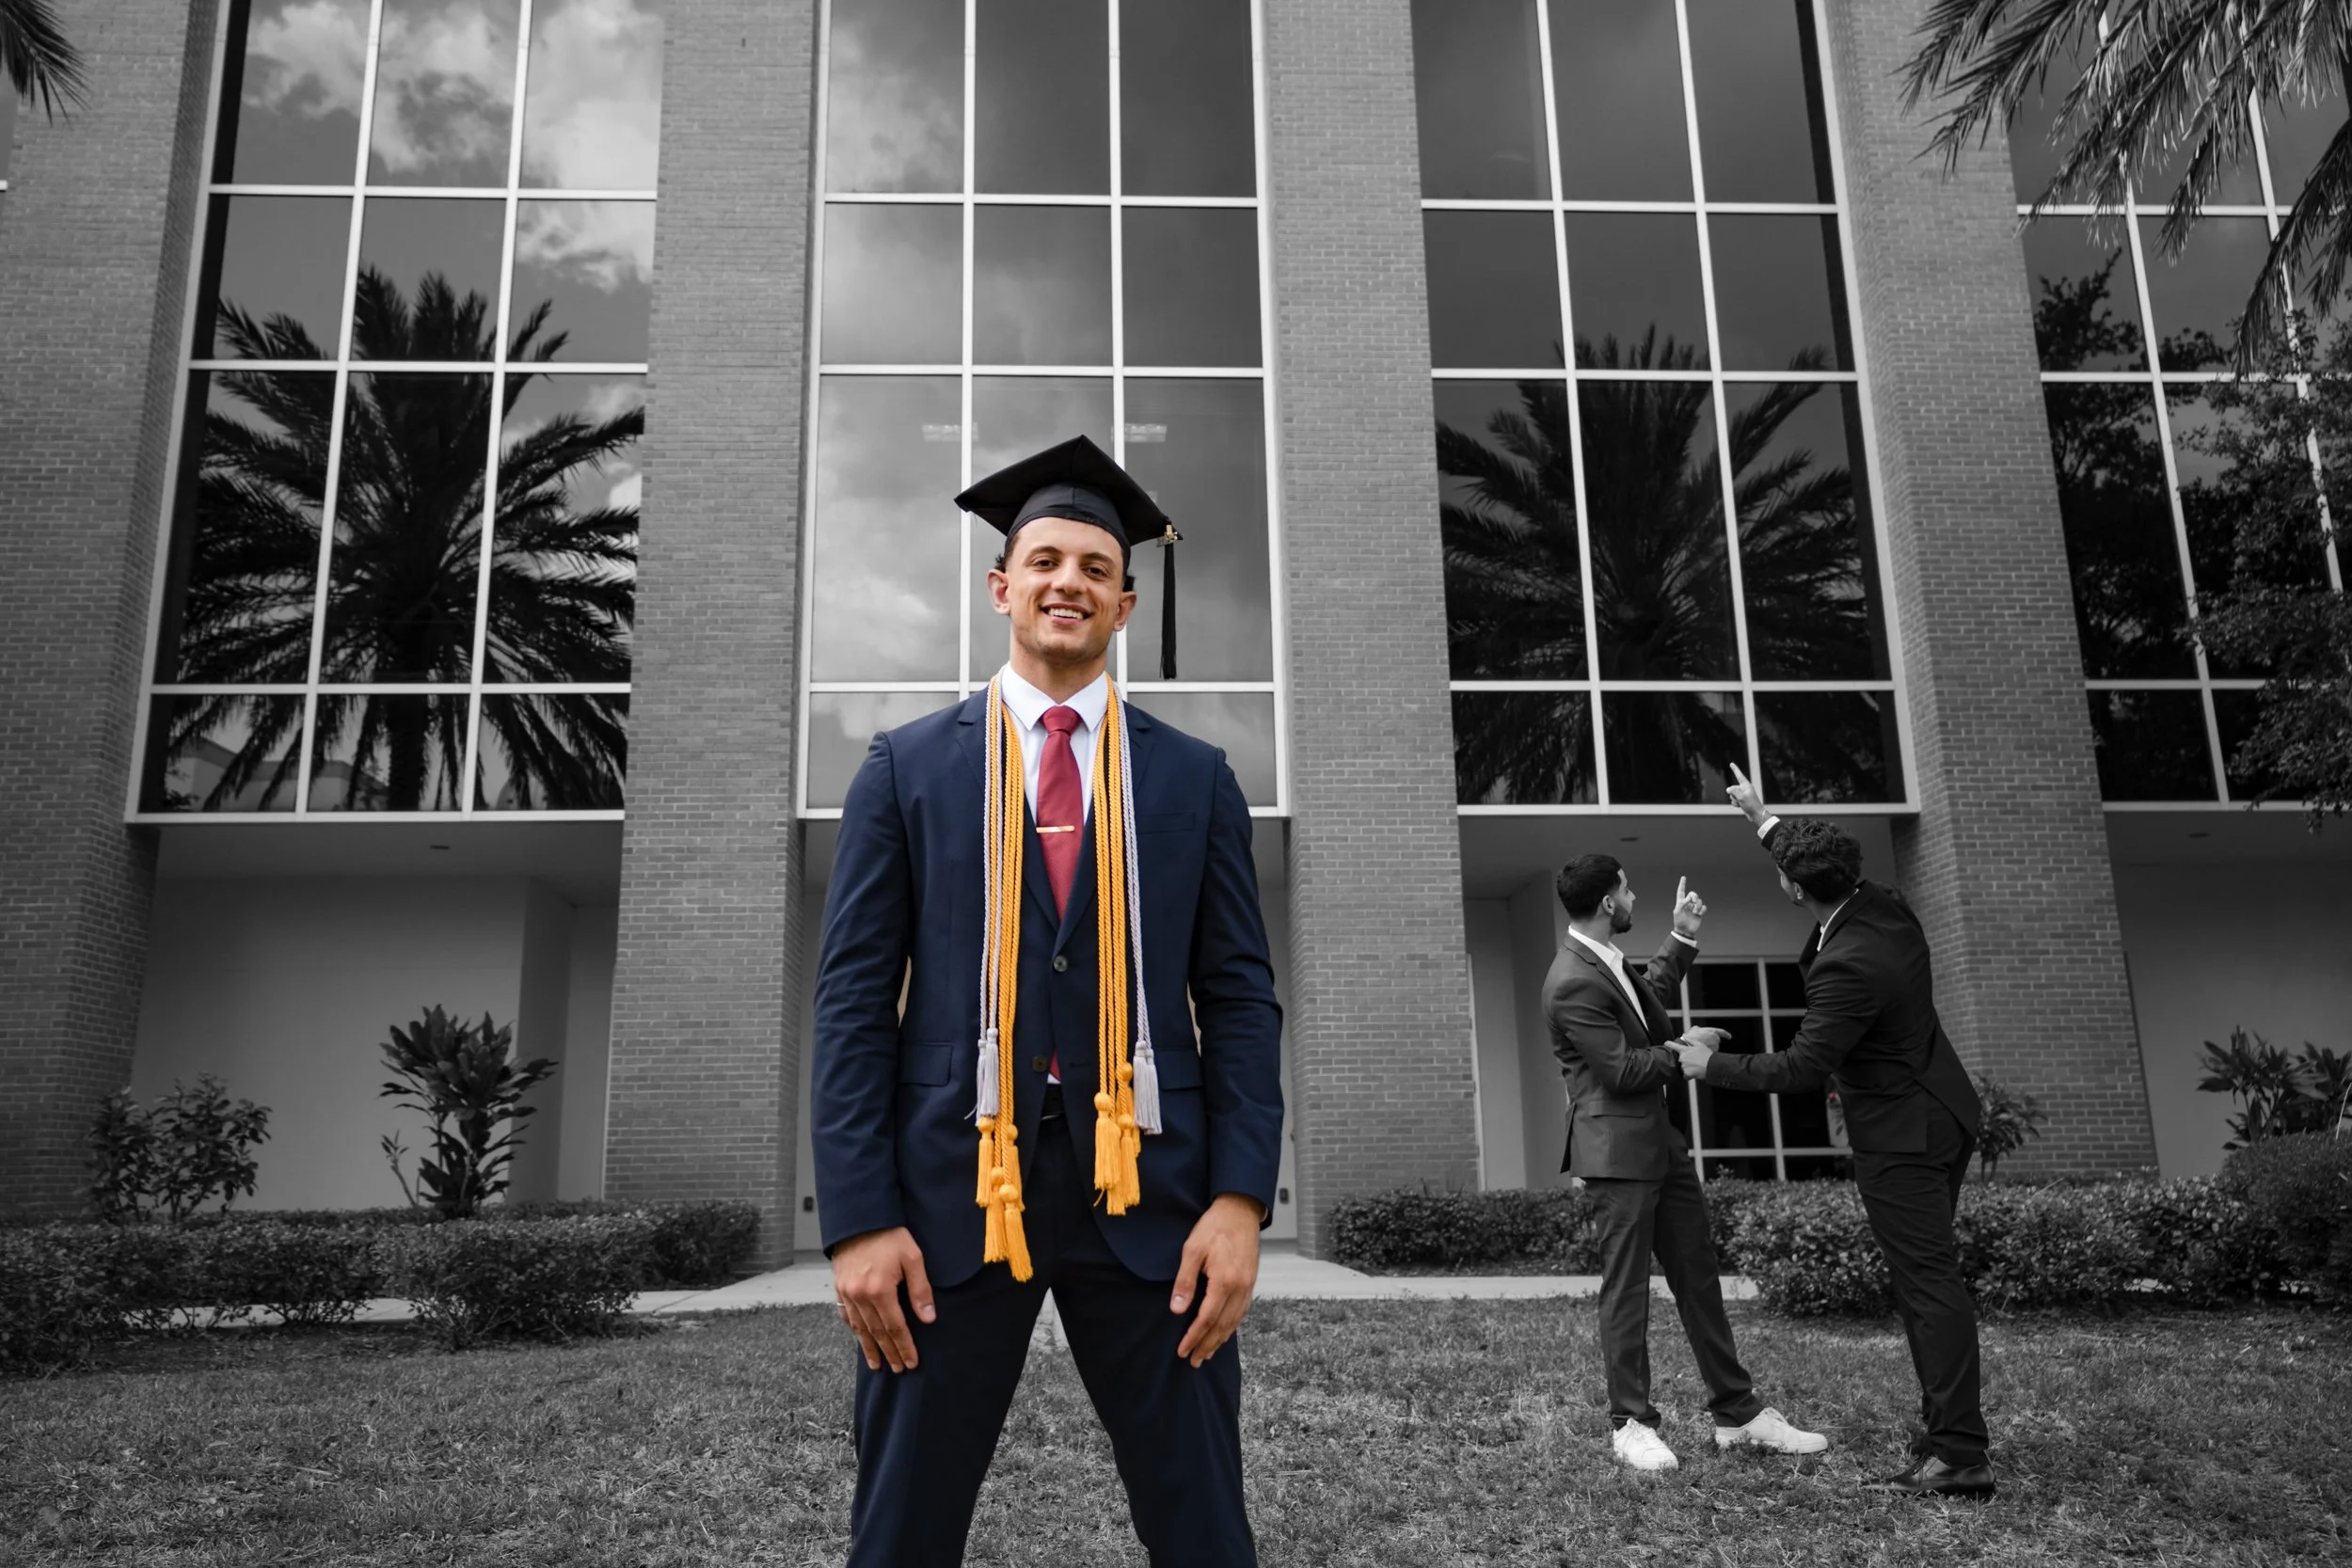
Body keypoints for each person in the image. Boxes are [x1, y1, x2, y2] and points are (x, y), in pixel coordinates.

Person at [812, 434, 1284, 1566]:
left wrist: (1239, 1200)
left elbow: (1238, 997)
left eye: (1093, 567)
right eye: (1044, 561)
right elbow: (851, 1002)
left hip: (1154, 1201)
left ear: (1123, 603)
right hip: (951, 1201)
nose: (1067, 580)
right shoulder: (907, 768)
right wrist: (860, 1217)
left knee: (1203, 1524)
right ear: (1000, 586)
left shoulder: (1192, 778)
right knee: (902, 1527)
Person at [1671, 764, 1994, 1498]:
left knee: (1927, 1287)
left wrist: (1709, 1064)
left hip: (1904, 1132)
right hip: (1941, 1108)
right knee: (1924, 1285)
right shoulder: (1885, 906)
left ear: (1794, 888)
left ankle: (1961, 1453)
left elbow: (1801, 1066)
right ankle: (1946, 1428)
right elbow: (1808, 858)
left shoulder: (1848, 961)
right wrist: (1761, 816)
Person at [1544, 853, 1828, 1473]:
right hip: (1616, 1155)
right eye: (1627, 888)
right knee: (1627, 1291)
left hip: (1662, 1146)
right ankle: (1631, 1424)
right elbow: (1620, 1069)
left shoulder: (1606, 963)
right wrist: (1685, 1048)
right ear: (1605, 903)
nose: (1634, 896)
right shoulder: (1570, 978)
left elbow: (1646, 1004)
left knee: (1699, 1277)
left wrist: (1682, 936)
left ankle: (1738, 1413)